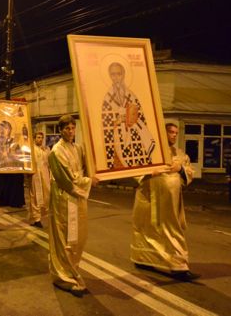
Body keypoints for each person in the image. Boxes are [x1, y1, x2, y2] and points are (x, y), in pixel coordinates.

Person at [131, 123, 199, 281]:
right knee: (145, 228)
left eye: (176, 133)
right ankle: (143, 258)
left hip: (170, 201)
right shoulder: (149, 149)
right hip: (148, 197)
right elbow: (135, 166)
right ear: (163, 133)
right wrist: (149, 172)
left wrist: (180, 169)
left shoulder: (180, 153)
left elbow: (189, 171)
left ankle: (179, 265)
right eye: (171, 132)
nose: (174, 135)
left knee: (173, 230)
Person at [48, 115, 99, 297]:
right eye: (66, 128)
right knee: (65, 238)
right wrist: (88, 181)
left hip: (78, 198)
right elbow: (66, 179)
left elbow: (90, 164)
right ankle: (63, 277)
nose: (70, 132)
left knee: (78, 237)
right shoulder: (56, 151)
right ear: (60, 129)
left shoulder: (77, 148)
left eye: (72, 128)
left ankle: (73, 269)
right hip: (64, 197)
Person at [101, 62, 155, 169]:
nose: (116, 77)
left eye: (119, 74)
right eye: (113, 74)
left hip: (134, 135)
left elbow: (140, 116)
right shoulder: (107, 97)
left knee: (136, 160)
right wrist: (116, 121)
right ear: (109, 76)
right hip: (117, 135)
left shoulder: (131, 95)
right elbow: (104, 121)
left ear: (123, 74)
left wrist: (132, 118)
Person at [26, 132, 51, 228]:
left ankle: (42, 215)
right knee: (35, 196)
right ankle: (36, 218)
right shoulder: (31, 149)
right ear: (34, 138)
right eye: (38, 137)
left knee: (46, 195)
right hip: (35, 175)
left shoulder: (46, 149)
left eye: (41, 138)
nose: (40, 139)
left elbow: (50, 162)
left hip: (44, 175)